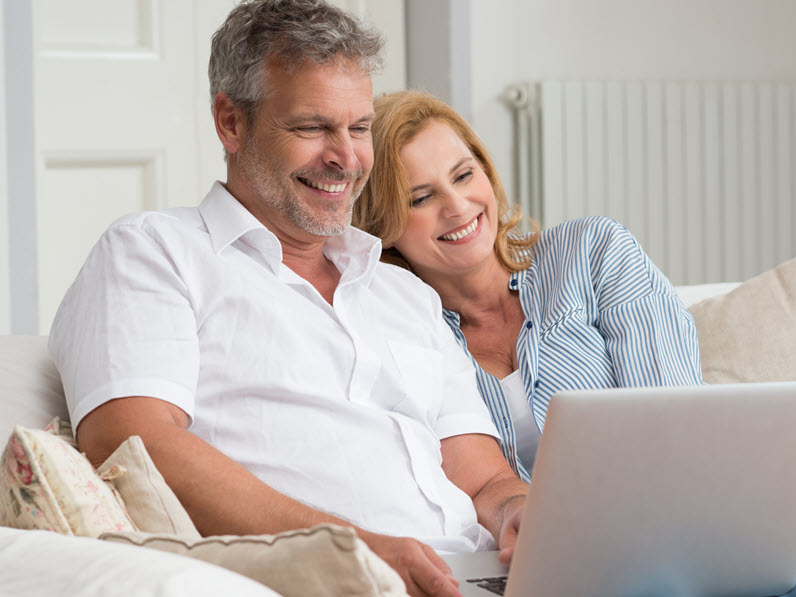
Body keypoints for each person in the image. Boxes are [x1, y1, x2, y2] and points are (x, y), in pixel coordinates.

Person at [48, 3, 527, 597]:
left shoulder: (403, 291)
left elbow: (484, 482)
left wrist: (520, 511)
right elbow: (130, 441)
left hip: (482, 577)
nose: (347, 158)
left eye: (358, 128)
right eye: (311, 128)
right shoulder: (155, 253)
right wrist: (354, 551)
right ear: (230, 122)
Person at [353, 89, 796, 597]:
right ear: (384, 223)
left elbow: (676, 413)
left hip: (737, 476)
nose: (457, 207)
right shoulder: (409, 334)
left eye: (463, 174)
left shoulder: (590, 250)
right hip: (597, 543)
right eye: (422, 197)